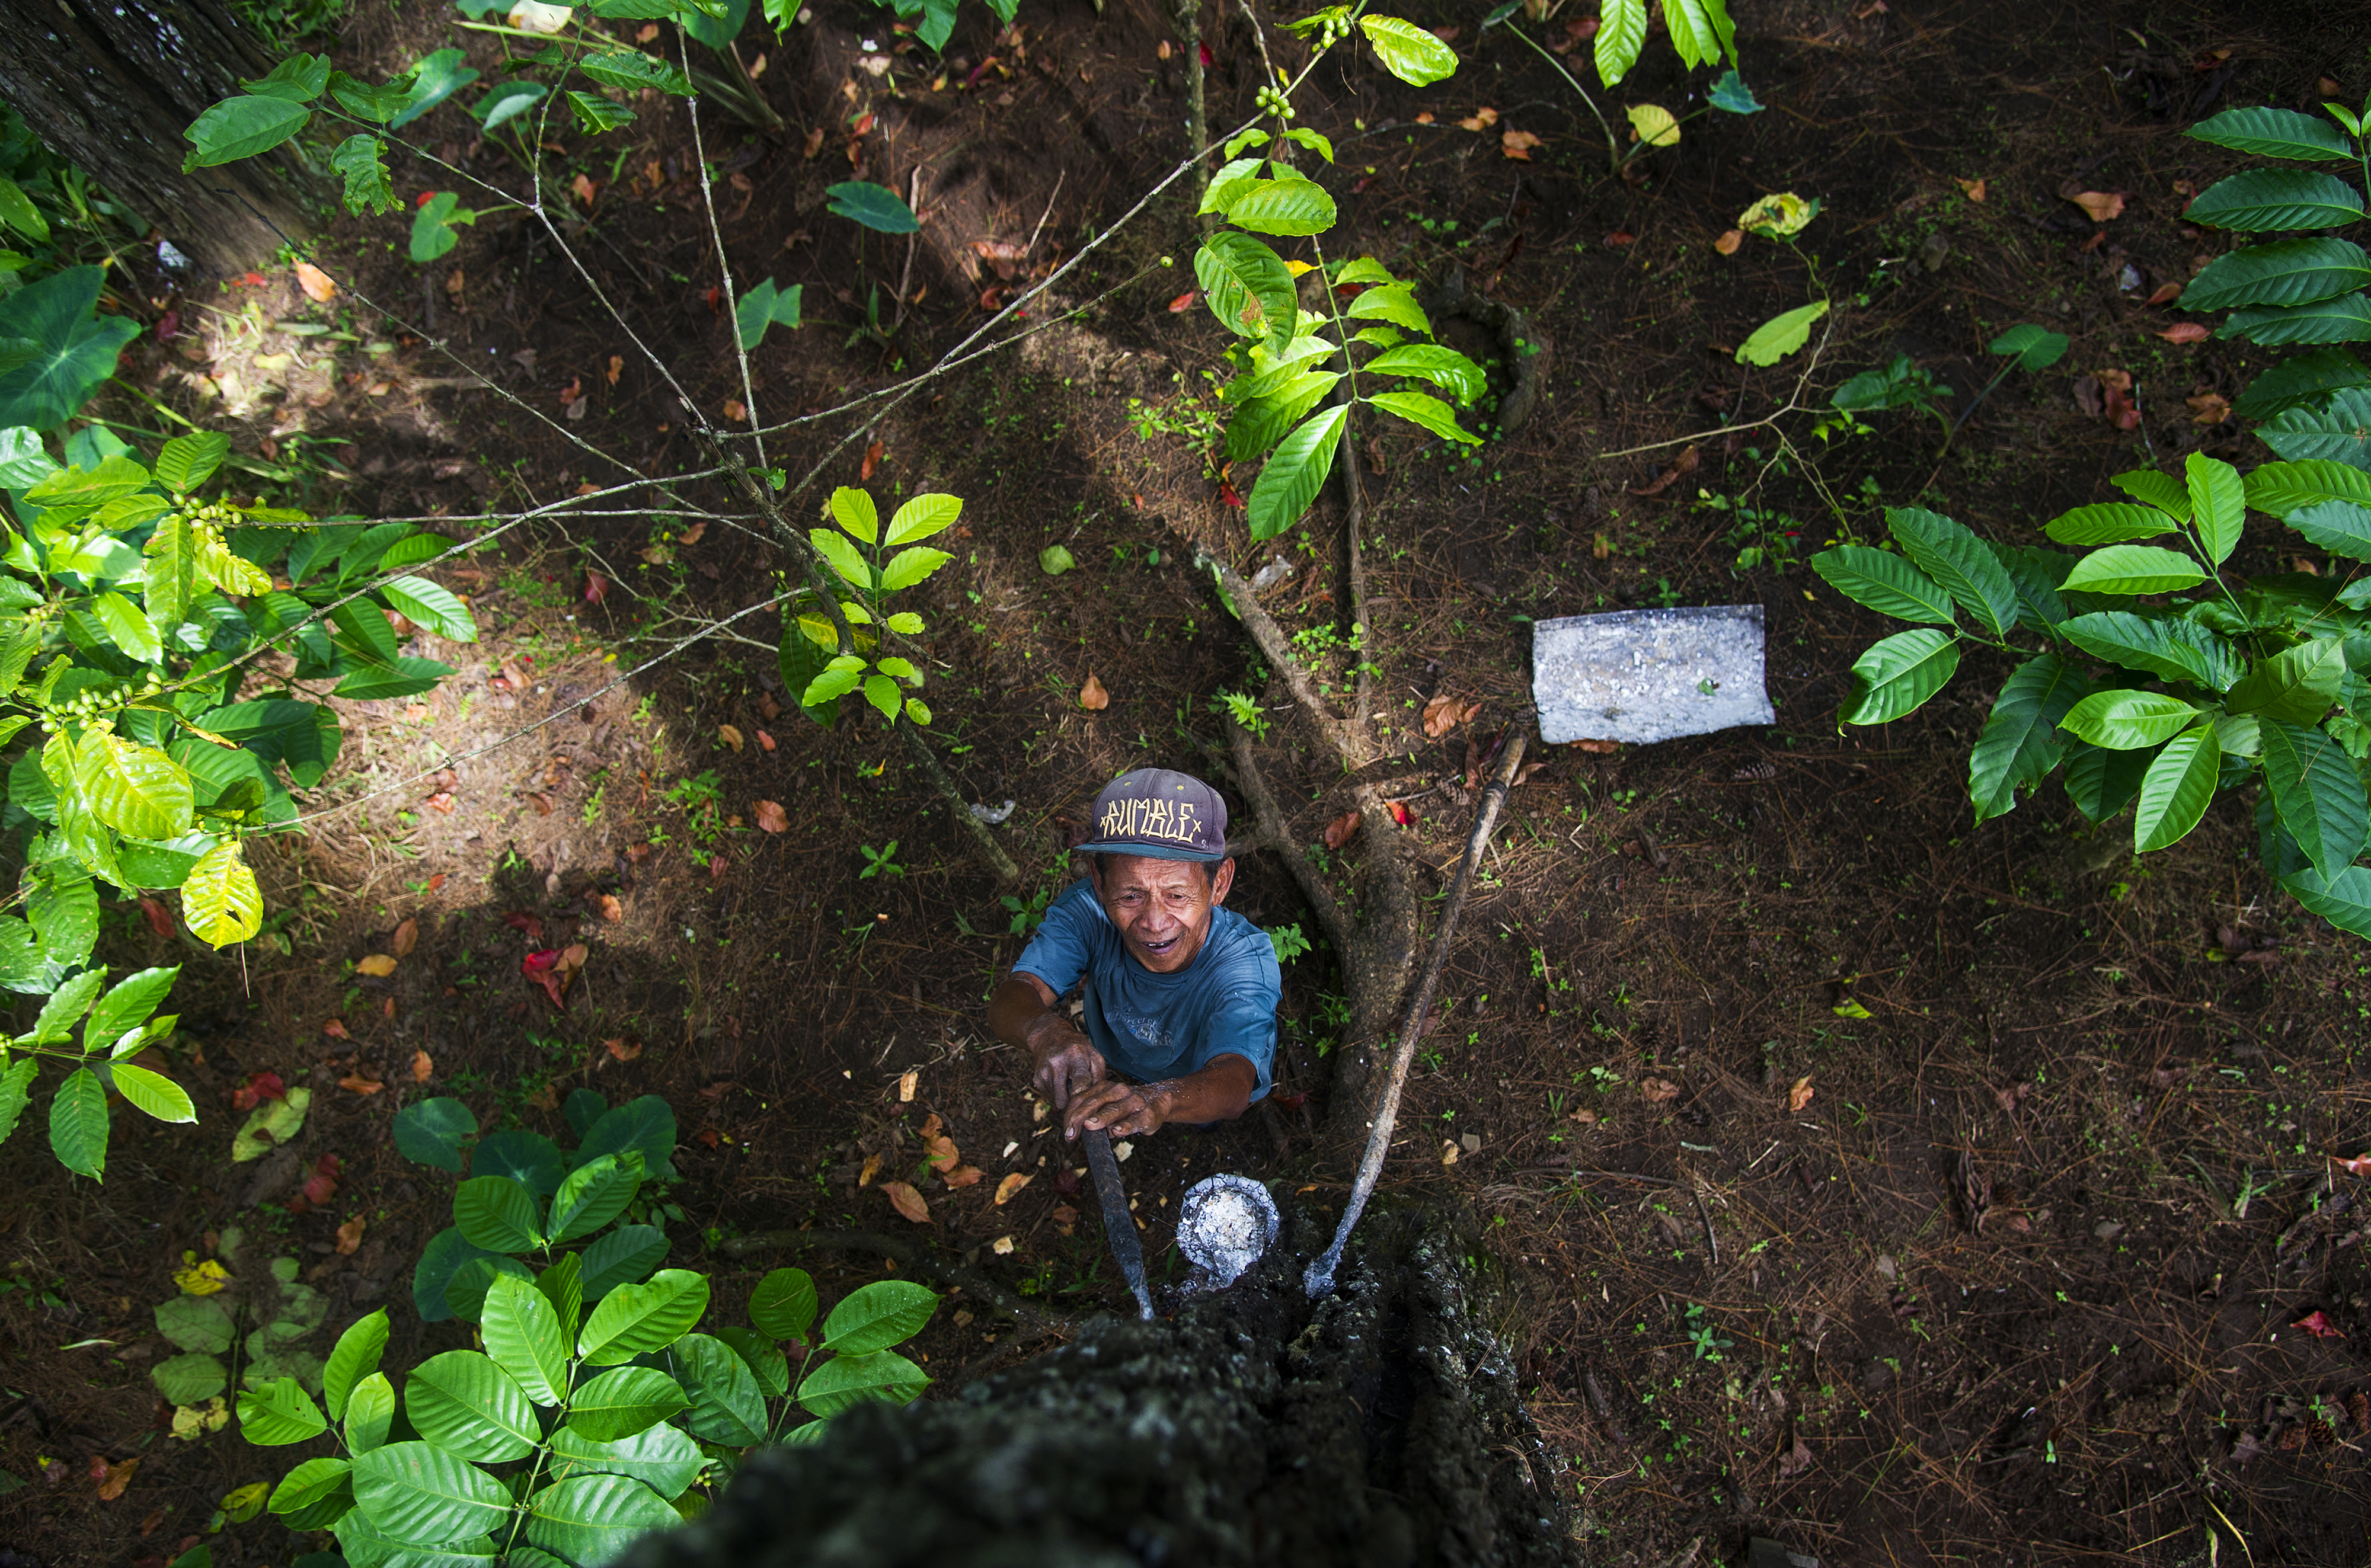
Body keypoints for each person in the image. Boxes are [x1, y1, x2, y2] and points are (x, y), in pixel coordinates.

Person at [986, 768, 1280, 1143]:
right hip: (1122, 1061)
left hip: (1195, 1082)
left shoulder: (1244, 962)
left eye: (1177, 896)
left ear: (1218, 884)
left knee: (1202, 1118)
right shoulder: (1087, 914)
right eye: (1131, 896)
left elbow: (1233, 1081)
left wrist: (1161, 1100)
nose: (1155, 923)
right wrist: (1045, 1032)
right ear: (1099, 882)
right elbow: (1015, 995)